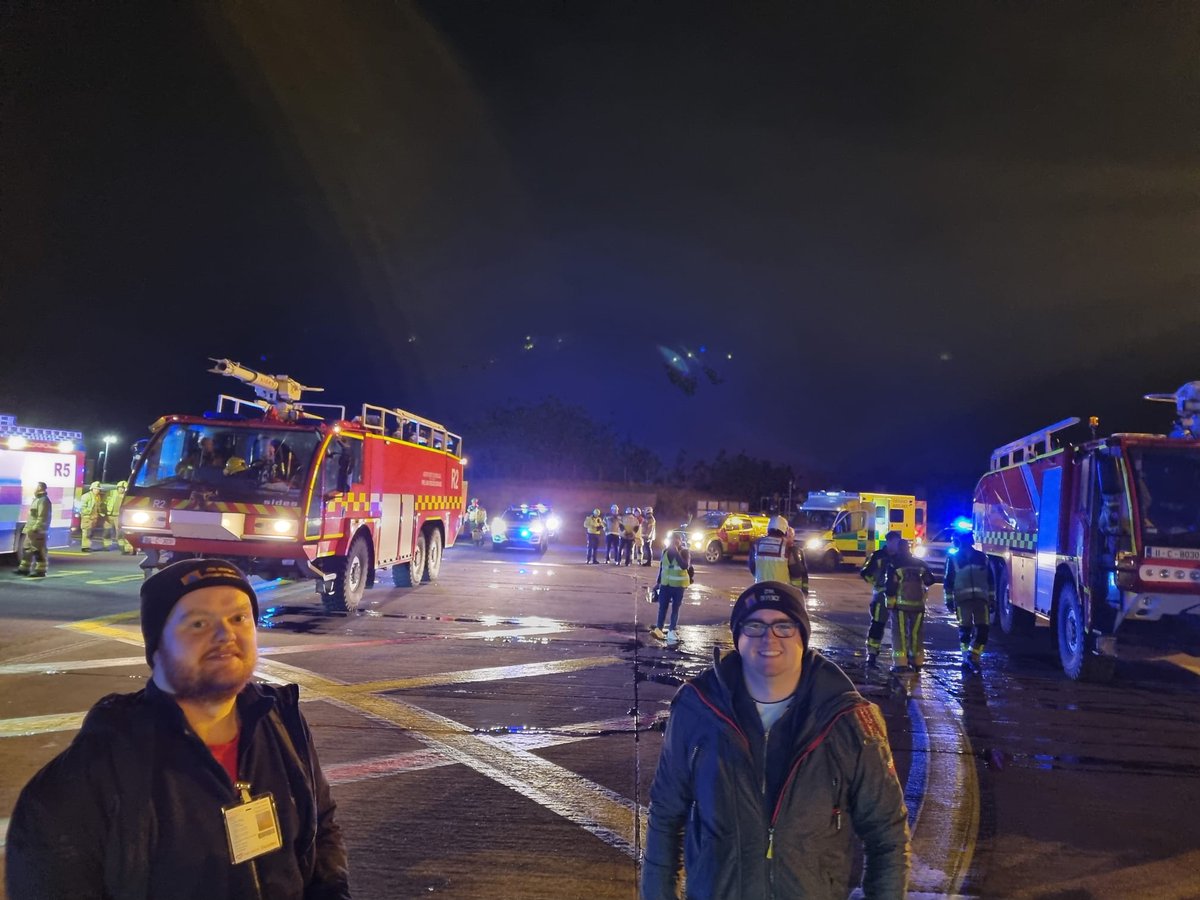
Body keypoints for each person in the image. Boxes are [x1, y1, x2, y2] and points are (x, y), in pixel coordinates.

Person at [6, 558, 351, 899]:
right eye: (198, 623)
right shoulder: (85, 779)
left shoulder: (282, 722)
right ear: (157, 648)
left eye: (239, 618)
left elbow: (321, 827)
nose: (225, 634)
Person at [642, 581, 911, 899]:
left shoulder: (849, 719)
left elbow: (887, 834)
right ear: (737, 638)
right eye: (754, 626)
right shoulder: (697, 707)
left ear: (803, 637)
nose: (768, 638)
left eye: (783, 626)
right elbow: (665, 815)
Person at [943, 529, 996, 673]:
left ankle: (973, 656)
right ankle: (967, 658)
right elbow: (948, 581)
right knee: (965, 631)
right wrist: (949, 600)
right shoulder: (953, 558)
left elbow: (990, 580)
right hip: (963, 601)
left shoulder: (982, 557)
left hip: (981, 601)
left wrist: (991, 599)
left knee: (983, 630)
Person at [884, 540, 936, 673]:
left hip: (900, 606)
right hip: (918, 605)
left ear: (899, 549)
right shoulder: (920, 564)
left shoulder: (894, 564)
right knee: (916, 633)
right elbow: (930, 581)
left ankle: (900, 663)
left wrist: (889, 603)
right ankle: (917, 661)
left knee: (899, 634)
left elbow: (890, 587)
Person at [860, 530, 904, 668]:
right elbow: (865, 573)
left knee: (900, 628)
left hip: (899, 596)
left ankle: (901, 659)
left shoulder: (901, 557)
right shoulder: (878, 556)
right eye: (895, 542)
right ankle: (872, 654)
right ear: (889, 541)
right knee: (878, 624)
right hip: (881, 597)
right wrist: (877, 583)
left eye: (898, 542)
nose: (897, 545)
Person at [748, 514, 809, 596]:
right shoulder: (788, 546)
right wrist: (797, 593)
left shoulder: (757, 544)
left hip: (761, 591)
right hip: (782, 592)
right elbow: (796, 572)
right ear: (785, 530)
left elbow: (752, 567)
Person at [650, 532, 692, 645]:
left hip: (678, 586)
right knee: (662, 607)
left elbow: (684, 566)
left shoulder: (684, 552)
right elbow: (662, 568)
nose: (674, 542)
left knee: (675, 608)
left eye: (676, 540)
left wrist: (676, 553)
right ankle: (659, 629)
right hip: (665, 585)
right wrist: (658, 583)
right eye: (672, 540)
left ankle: (672, 631)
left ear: (680, 541)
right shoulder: (665, 551)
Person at [14, 481, 50, 577]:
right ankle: (24, 569)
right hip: (31, 530)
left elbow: (42, 517)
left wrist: (36, 528)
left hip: (38, 531)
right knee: (27, 550)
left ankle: (40, 571)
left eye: (36, 487)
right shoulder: (37, 499)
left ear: (40, 488)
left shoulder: (44, 500)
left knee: (38, 551)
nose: (34, 488)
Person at [106, 479, 135, 554]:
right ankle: (122, 548)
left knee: (122, 534)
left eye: (123, 488)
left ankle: (128, 549)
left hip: (120, 517)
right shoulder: (112, 493)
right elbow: (105, 502)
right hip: (110, 516)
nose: (121, 489)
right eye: (119, 487)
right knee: (109, 533)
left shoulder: (127, 497)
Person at [79, 481, 109, 552]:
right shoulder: (86, 496)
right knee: (86, 533)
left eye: (98, 489)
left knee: (90, 533)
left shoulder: (97, 497)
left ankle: (88, 546)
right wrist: (88, 513)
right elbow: (82, 507)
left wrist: (100, 513)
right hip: (87, 517)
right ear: (92, 489)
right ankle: (85, 547)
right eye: (96, 489)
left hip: (94, 518)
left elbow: (98, 507)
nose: (97, 490)